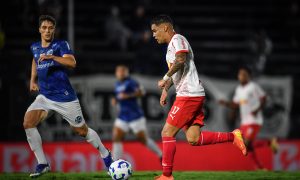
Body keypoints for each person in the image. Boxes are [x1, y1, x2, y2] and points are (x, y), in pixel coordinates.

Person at [150, 15, 247, 180]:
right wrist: (166, 89)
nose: (153, 34)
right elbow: (179, 70)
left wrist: (165, 78)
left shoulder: (177, 39)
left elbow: (180, 60)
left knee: (167, 132)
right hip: (191, 94)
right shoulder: (170, 46)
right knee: (194, 139)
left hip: (189, 95)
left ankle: (167, 176)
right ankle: (233, 136)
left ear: (165, 27)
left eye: (154, 30)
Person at [23, 15, 113, 177]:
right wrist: (32, 80)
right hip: (45, 96)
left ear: (54, 30)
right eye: (44, 28)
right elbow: (35, 60)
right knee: (28, 122)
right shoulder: (35, 47)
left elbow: (72, 63)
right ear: (39, 30)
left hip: (65, 98)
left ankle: (106, 156)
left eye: (50, 28)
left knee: (82, 131)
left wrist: (52, 57)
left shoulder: (60, 45)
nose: (47, 31)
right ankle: (42, 163)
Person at [219, 67, 278, 170]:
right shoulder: (239, 89)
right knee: (245, 145)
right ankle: (261, 164)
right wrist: (226, 104)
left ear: (248, 76)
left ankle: (267, 147)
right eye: (240, 74)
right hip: (244, 121)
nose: (241, 76)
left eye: (244, 74)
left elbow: (264, 98)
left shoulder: (253, 87)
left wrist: (257, 109)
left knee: (246, 143)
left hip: (254, 120)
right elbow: (235, 105)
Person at [111, 65, 162, 161]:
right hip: (123, 116)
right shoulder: (117, 84)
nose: (120, 73)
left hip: (135, 116)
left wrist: (128, 95)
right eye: (119, 71)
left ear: (126, 73)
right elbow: (119, 96)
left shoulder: (131, 82)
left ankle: (160, 155)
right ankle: (115, 164)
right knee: (116, 138)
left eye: (123, 71)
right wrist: (116, 99)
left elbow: (142, 92)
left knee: (143, 139)